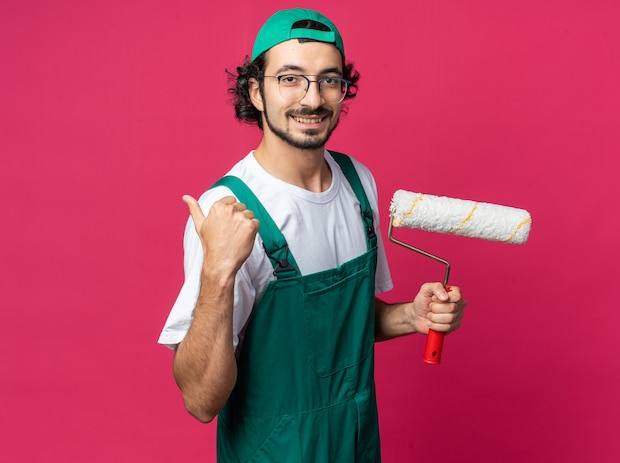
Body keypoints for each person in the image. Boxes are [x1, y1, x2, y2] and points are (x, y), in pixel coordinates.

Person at [158, 8, 466, 462]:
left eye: (329, 80)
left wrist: (410, 317)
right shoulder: (227, 212)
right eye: (290, 78)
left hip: (357, 445)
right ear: (255, 91)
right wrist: (219, 274)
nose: (312, 98)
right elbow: (201, 401)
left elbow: (334, 330)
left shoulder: (358, 184)